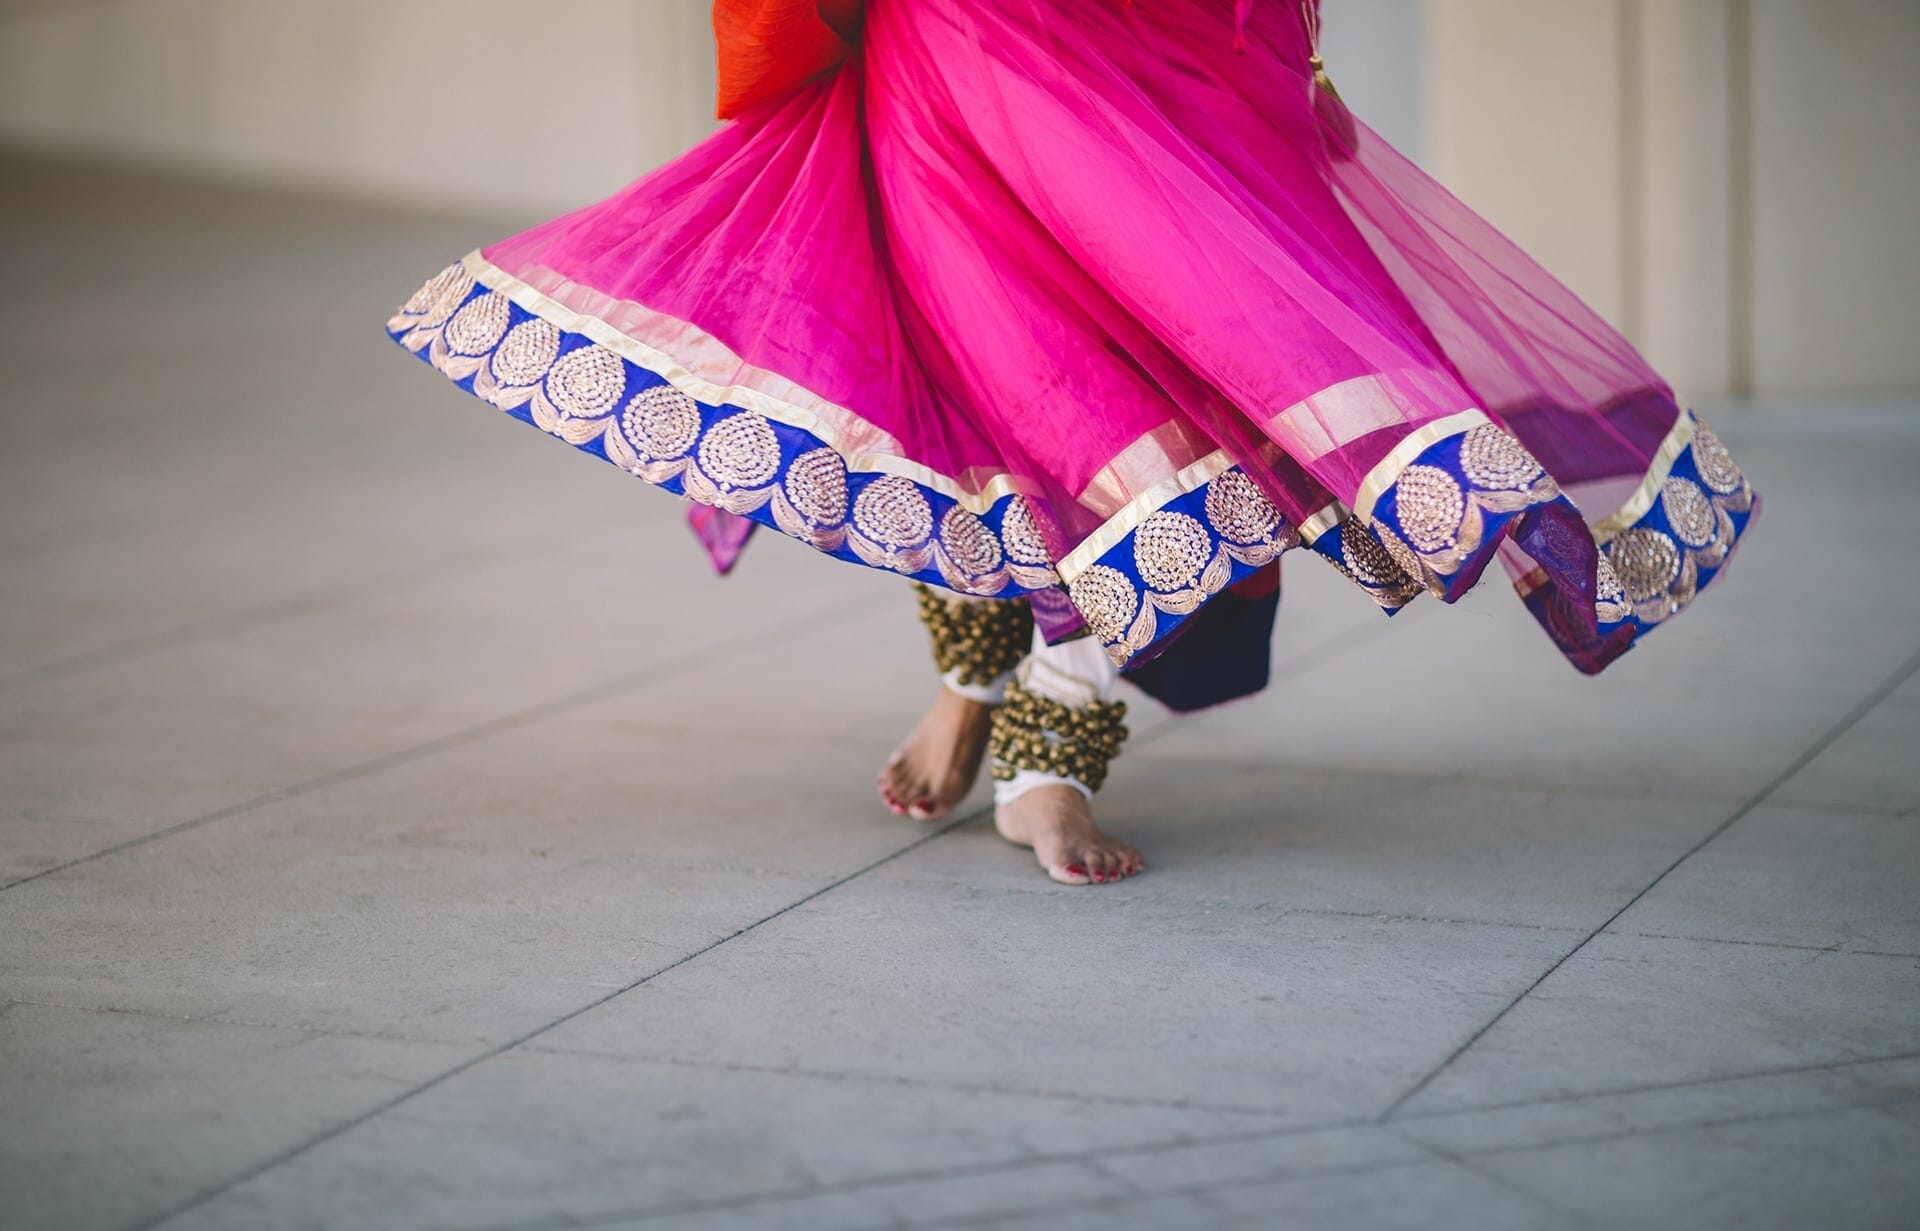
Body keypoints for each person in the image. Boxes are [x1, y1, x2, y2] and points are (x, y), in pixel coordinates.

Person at [388, 0, 1758, 886]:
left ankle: (1037, 728)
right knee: (1002, 364)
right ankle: (991, 696)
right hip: (971, 30)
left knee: (1182, 375)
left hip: (1173, 36)